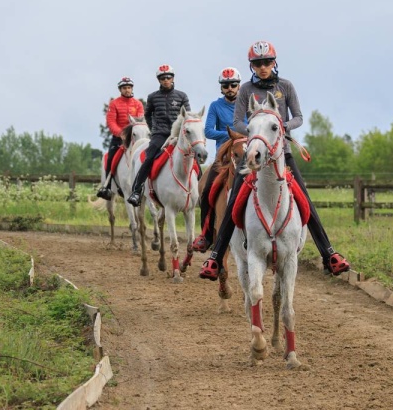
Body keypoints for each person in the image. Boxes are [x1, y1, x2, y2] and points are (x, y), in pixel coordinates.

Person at [200, 41, 350, 280]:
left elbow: (299, 117)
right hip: (254, 154)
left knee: (305, 199)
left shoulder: (286, 86)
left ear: (274, 63)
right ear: (252, 66)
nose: (263, 67)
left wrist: (282, 126)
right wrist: (255, 130)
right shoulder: (246, 90)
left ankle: (328, 254)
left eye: (267, 62)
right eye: (258, 64)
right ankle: (216, 256)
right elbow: (238, 121)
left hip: (283, 154)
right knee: (234, 200)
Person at [191, 67, 245, 252]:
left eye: (233, 85)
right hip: (223, 158)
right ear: (221, 88)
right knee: (206, 190)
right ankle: (205, 235)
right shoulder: (215, 106)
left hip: (245, 155)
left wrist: (240, 138)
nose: (229, 88)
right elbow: (208, 131)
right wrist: (231, 136)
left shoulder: (247, 104)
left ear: (239, 86)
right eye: (225, 85)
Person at [127, 64, 191, 207]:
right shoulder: (153, 97)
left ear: (173, 78)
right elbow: (147, 114)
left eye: (168, 77)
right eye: (162, 78)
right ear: (159, 80)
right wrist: (154, 129)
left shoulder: (182, 96)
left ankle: (196, 190)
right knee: (149, 157)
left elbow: (187, 117)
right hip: (160, 135)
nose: (165, 80)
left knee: (194, 154)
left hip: (178, 135)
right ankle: (137, 191)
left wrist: (180, 133)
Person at [97, 77, 144, 200]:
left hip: (135, 139)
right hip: (119, 139)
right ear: (120, 90)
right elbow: (111, 122)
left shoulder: (138, 104)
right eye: (124, 88)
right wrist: (121, 133)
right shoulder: (114, 104)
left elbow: (140, 121)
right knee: (110, 158)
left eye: (129, 87)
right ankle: (107, 187)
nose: (127, 90)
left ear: (132, 88)